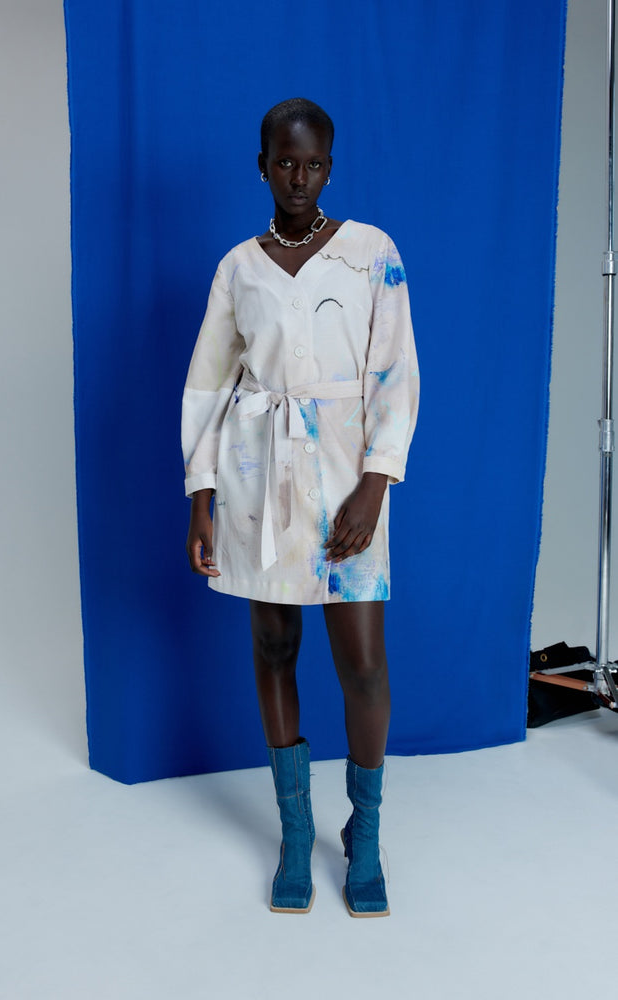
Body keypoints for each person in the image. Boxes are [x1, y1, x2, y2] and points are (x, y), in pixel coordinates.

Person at [182, 98, 419, 917]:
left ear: (329, 167)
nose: (298, 177)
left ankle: (365, 833)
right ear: (261, 166)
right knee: (274, 644)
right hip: (258, 476)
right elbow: (208, 385)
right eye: (284, 162)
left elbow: (395, 371)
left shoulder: (370, 253)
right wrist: (202, 497)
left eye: (313, 163)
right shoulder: (237, 269)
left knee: (362, 663)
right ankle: (293, 832)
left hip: (348, 477)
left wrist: (375, 482)